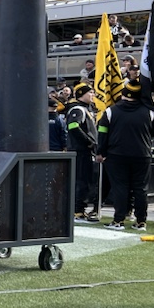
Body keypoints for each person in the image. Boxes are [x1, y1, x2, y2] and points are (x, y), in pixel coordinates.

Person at [96, 79, 154, 231]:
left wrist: (101, 152)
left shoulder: (110, 111)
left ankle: (118, 220)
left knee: (120, 187)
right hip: (142, 155)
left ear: (124, 93)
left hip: (117, 155)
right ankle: (141, 222)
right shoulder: (149, 112)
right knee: (141, 189)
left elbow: (102, 134)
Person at [65, 83, 100, 222]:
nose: (93, 95)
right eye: (90, 92)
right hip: (80, 150)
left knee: (84, 180)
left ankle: (79, 209)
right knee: (81, 180)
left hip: (84, 150)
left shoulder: (87, 109)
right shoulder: (78, 109)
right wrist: (88, 141)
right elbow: (73, 126)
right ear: (81, 94)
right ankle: (77, 211)